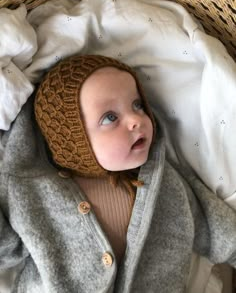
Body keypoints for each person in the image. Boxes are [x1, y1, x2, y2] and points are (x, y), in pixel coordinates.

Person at [1, 54, 236, 293]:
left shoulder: (166, 183)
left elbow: (215, 228)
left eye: (138, 105)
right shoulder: (33, 190)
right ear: (73, 139)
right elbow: (6, 249)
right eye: (110, 117)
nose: (136, 119)